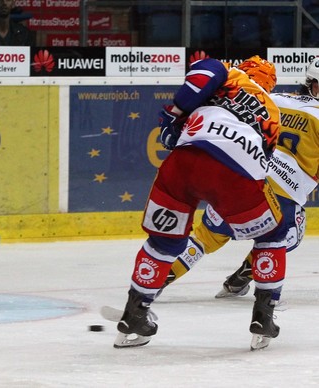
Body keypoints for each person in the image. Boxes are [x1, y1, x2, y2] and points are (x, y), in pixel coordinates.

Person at [114, 54, 288, 351]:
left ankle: (135, 312)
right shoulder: (273, 113)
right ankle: (263, 315)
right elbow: (264, 160)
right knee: (272, 234)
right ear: (269, 86)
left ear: (244, 69)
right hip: (238, 173)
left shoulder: (231, 75)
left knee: (163, 240)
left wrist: (174, 112)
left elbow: (206, 72)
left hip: (183, 162)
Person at [161, 57, 319, 300]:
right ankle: (244, 278)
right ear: (312, 84)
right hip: (283, 196)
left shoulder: (272, 100)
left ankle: (154, 284)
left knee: (205, 238)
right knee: (286, 236)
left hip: (241, 181)